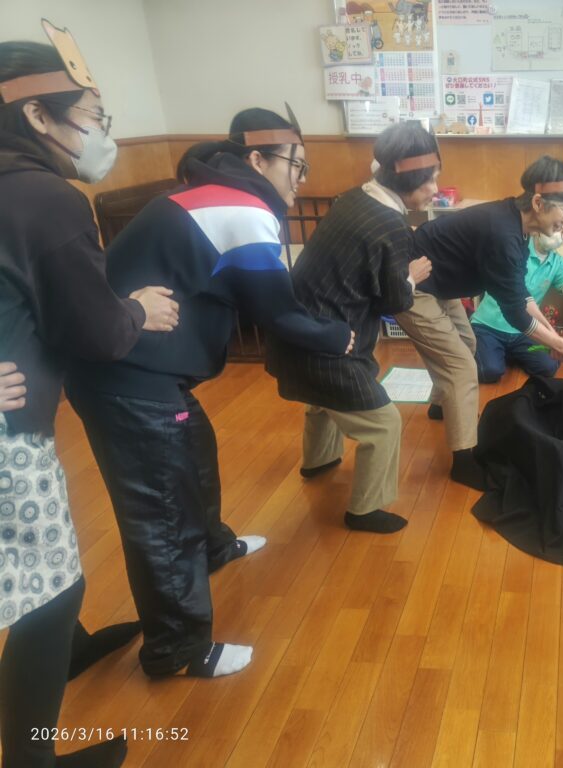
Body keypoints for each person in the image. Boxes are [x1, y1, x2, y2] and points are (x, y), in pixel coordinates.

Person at [66, 107, 354, 679]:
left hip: (146, 369)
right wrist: (336, 336)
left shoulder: (218, 193)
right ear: (258, 159)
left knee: (195, 454)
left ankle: (214, 547)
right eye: (295, 164)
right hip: (126, 376)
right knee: (162, 512)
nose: (301, 178)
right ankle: (176, 651)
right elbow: (277, 311)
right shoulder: (241, 209)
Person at [0, 27, 180, 767]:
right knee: (51, 589)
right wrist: (138, 309)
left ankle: (68, 653)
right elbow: (96, 333)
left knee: (31, 564)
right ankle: (31, 760)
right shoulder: (44, 198)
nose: (101, 133)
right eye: (93, 116)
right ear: (37, 115)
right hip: (9, 433)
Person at [266, 121, 436, 534]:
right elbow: (394, 302)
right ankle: (365, 510)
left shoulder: (353, 198)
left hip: (295, 335)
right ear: (406, 177)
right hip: (330, 346)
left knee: (322, 400)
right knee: (384, 424)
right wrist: (412, 276)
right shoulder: (390, 224)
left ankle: (319, 461)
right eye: (430, 179)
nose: (434, 189)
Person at [397, 155, 563, 490]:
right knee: (462, 367)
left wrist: (557, 341)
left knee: (467, 345)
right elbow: (516, 313)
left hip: (442, 283)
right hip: (414, 285)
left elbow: (521, 297)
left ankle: (440, 406)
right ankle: (464, 463)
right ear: (538, 203)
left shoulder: (518, 228)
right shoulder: (503, 235)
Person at [472, 213, 563, 383]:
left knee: (548, 367)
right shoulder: (518, 247)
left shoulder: (557, 262)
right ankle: (495, 352)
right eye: (557, 225)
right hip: (489, 325)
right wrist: (557, 340)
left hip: (525, 329)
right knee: (490, 371)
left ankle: (505, 353)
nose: (558, 233)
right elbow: (522, 297)